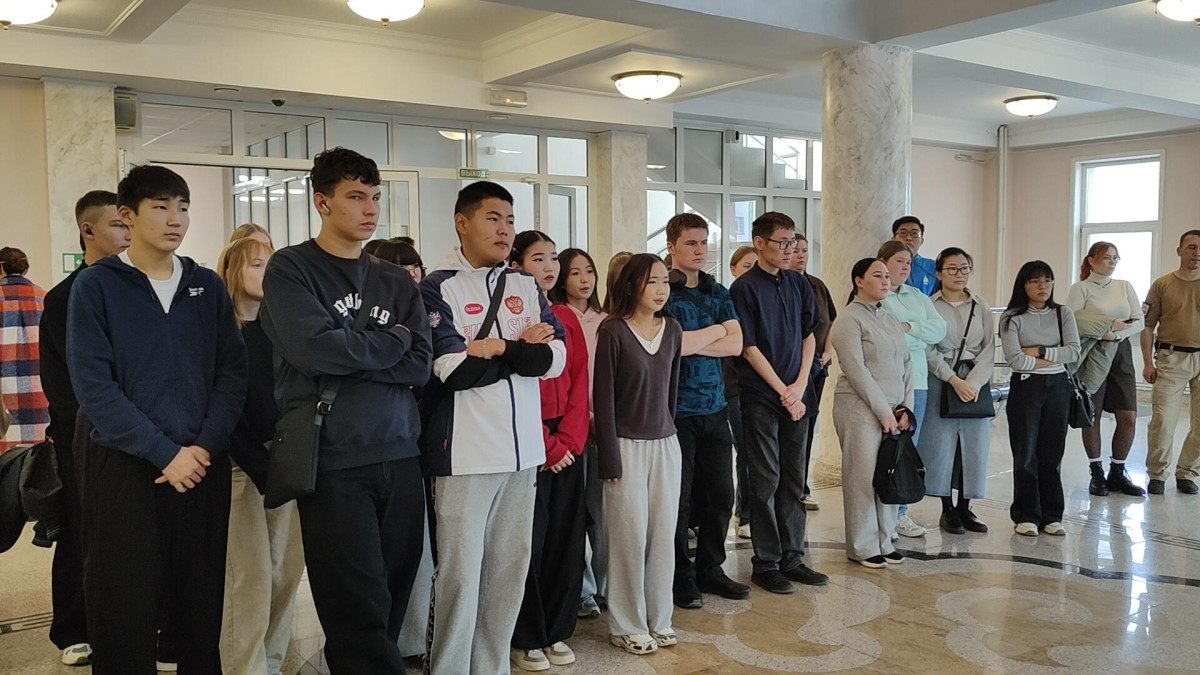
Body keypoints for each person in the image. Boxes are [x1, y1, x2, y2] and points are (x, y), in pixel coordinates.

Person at [67, 165, 247, 674]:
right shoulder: (97, 286)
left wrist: (202, 447)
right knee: (123, 602)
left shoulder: (206, 285)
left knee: (199, 604)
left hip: (201, 466)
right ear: (127, 215)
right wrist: (164, 453)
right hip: (126, 466)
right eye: (162, 207)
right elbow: (95, 387)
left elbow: (232, 374)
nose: (176, 219)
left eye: (183, 207)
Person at [260, 147, 432, 673]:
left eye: (375, 197)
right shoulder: (291, 269)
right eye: (356, 196)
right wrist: (392, 342)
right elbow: (313, 350)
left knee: (392, 598)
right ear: (322, 202)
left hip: (401, 453)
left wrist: (356, 353)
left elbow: (420, 365)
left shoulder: (395, 280)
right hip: (334, 459)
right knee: (354, 605)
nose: (370, 208)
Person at [420, 181, 566, 675]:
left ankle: (492, 667)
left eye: (510, 219)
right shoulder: (438, 286)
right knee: (460, 576)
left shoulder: (525, 284)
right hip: (464, 455)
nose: (505, 229)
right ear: (462, 223)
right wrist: (521, 349)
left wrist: (498, 347)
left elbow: (554, 360)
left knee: (509, 572)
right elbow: (454, 370)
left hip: (523, 455)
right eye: (492, 218)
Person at [38, 190, 129, 666]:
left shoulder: (142, 288)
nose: (127, 232)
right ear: (87, 230)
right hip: (83, 435)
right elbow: (63, 384)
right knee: (80, 531)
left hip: (140, 434)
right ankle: (74, 628)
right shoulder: (64, 297)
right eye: (117, 224)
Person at [217, 236, 306, 675]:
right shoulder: (220, 334)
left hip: (285, 462)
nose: (266, 272)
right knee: (249, 580)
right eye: (256, 264)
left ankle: (271, 661)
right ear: (233, 270)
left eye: (270, 264)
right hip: (239, 466)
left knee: (285, 572)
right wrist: (259, 465)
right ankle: (246, 667)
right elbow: (225, 411)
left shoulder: (281, 331)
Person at [729, 212, 829, 594]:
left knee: (793, 479)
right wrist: (783, 390)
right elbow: (749, 347)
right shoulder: (743, 288)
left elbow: (809, 335)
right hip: (760, 396)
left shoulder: (798, 283)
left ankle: (793, 557)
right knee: (766, 480)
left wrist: (799, 385)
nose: (789, 250)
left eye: (793, 243)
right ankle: (766, 562)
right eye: (782, 242)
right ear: (760, 243)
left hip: (797, 394)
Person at [594, 253, 683, 656]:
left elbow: (671, 391)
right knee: (628, 537)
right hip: (625, 446)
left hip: (665, 444)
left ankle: (660, 618)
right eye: (652, 282)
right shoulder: (613, 331)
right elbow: (603, 399)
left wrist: (667, 430)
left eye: (665, 281)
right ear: (632, 286)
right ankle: (626, 624)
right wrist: (609, 457)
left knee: (663, 536)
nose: (661, 290)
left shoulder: (673, 329)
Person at [509, 231, 590, 671]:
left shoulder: (564, 317)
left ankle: (557, 629)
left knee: (565, 540)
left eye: (553, 258)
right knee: (530, 543)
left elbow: (580, 380)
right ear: (516, 265)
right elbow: (514, 388)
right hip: (529, 442)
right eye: (538, 258)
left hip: (569, 444)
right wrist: (549, 446)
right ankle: (525, 636)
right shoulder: (510, 318)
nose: (550, 267)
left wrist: (572, 441)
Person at [663, 213, 747, 610]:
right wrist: (716, 331)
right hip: (675, 411)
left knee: (720, 495)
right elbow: (670, 346)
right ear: (672, 247)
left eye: (703, 242)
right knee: (679, 500)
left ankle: (710, 568)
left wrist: (696, 340)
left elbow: (736, 345)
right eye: (690, 243)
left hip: (715, 406)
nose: (699, 250)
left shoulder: (718, 291)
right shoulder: (663, 291)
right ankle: (679, 575)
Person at [360, 234, 434, 659]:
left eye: (414, 265)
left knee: (411, 557)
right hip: (367, 447)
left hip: (414, 446)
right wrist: (392, 347)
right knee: (368, 566)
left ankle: (407, 642)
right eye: (398, 266)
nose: (409, 274)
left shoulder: (424, 310)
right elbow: (345, 360)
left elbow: (420, 369)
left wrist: (371, 359)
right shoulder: (369, 311)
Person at [831, 258, 914, 568]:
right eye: (877, 275)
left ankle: (884, 539)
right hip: (858, 408)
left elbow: (907, 364)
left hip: (894, 409)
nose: (885, 280)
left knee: (888, 473)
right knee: (862, 478)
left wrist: (905, 409)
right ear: (859, 281)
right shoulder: (849, 319)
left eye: (887, 276)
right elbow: (856, 370)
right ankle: (863, 546)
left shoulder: (890, 318)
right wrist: (882, 412)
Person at [1000, 261, 1080, 537]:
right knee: (1025, 453)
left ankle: (1052, 515)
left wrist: (1039, 351)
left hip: (1058, 387)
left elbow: (1074, 352)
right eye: (1034, 281)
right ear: (1023, 285)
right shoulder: (1012, 317)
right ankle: (1026, 515)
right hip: (1025, 387)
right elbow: (1016, 360)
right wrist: (1054, 355)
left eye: (1047, 280)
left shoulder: (1062, 313)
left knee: (1052, 453)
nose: (1042, 286)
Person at [551, 247, 609, 620]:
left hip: (604, 427)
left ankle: (606, 586)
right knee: (574, 515)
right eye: (575, 273)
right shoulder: (556, 317)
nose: (584, 279)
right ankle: (583, 589)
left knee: (601, 513)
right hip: (569, 427)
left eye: (589, 270)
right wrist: (580, 418)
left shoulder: (608, 321)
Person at [877, 240, 947, 539]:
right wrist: (917, 335)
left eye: (908, 262)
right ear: (882, 262)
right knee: (883, 449)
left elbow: (940, 330)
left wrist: (909, 329)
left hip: (918, 381)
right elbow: (887, 338)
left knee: (907, 448)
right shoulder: (877, 298)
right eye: (899, 261)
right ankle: (881, 515)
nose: (905, 267)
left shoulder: (918, 295)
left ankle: (900, 513)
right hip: (887, 381)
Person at [921, 248, 993, 534]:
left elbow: (989, 348)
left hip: (974, 382)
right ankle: (946, 509)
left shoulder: (980, 305)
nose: (959, 274)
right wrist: (952, 379)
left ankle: (966, 506)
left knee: (973, 448)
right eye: (952, 269)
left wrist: (973, 383)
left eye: (964, 268)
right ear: (939, 273)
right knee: (941, 446)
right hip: (942, 380)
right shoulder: (929, 305)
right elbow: (927, 348)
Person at [1066, 242, 1146, 498]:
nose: (1112, 262)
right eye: (1106, 257)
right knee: (1093, 413)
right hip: (1093, 353)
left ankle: (1118, 471)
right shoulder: (1080, 288)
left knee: (1128, 415)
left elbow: (1139, 320)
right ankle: (1096, 472)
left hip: (1120, 352)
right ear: (1091, 260)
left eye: (1115, 258)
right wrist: (1107, 328)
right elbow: (1073, 320)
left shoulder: (1124, 286)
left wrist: (1116, 336)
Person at [1142, 229, 1200, 496]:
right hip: (1171, 358)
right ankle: (1157, 473)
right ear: (1179, 251)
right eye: (1191, 247)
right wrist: (1147, 363)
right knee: (1163, 420)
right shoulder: (1162, 284)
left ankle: (1187, 472)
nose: (1197, 253)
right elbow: (1147, 326)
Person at [792, 234, 836, 511]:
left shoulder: (817, 285)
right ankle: (790, 487)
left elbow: (830, 321)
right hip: (789, 370)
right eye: (795, 250)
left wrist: (828, 352)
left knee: (808, 428)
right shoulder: (782, 285)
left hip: (817, 366)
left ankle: (802, 486)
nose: (800, 255)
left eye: (805, 250)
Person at [0, 247, 48, 453]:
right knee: (38, 462)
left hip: (3, 399)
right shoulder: (46, 298)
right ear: (25, 269)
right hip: (41, 394)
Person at [726, 245, 757, 538]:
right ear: (733, 269)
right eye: (746, 266)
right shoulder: (727, 299)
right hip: (732, 387)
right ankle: (743, 513)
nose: (752, 273)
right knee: (744, 450)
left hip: (759, 387)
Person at [891, 216, 937, 296]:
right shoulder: (884, 265)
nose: (908, 238)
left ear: (922, 241)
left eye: (915, 234)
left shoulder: (932, 266)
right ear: (893, 239)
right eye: (903, 233)